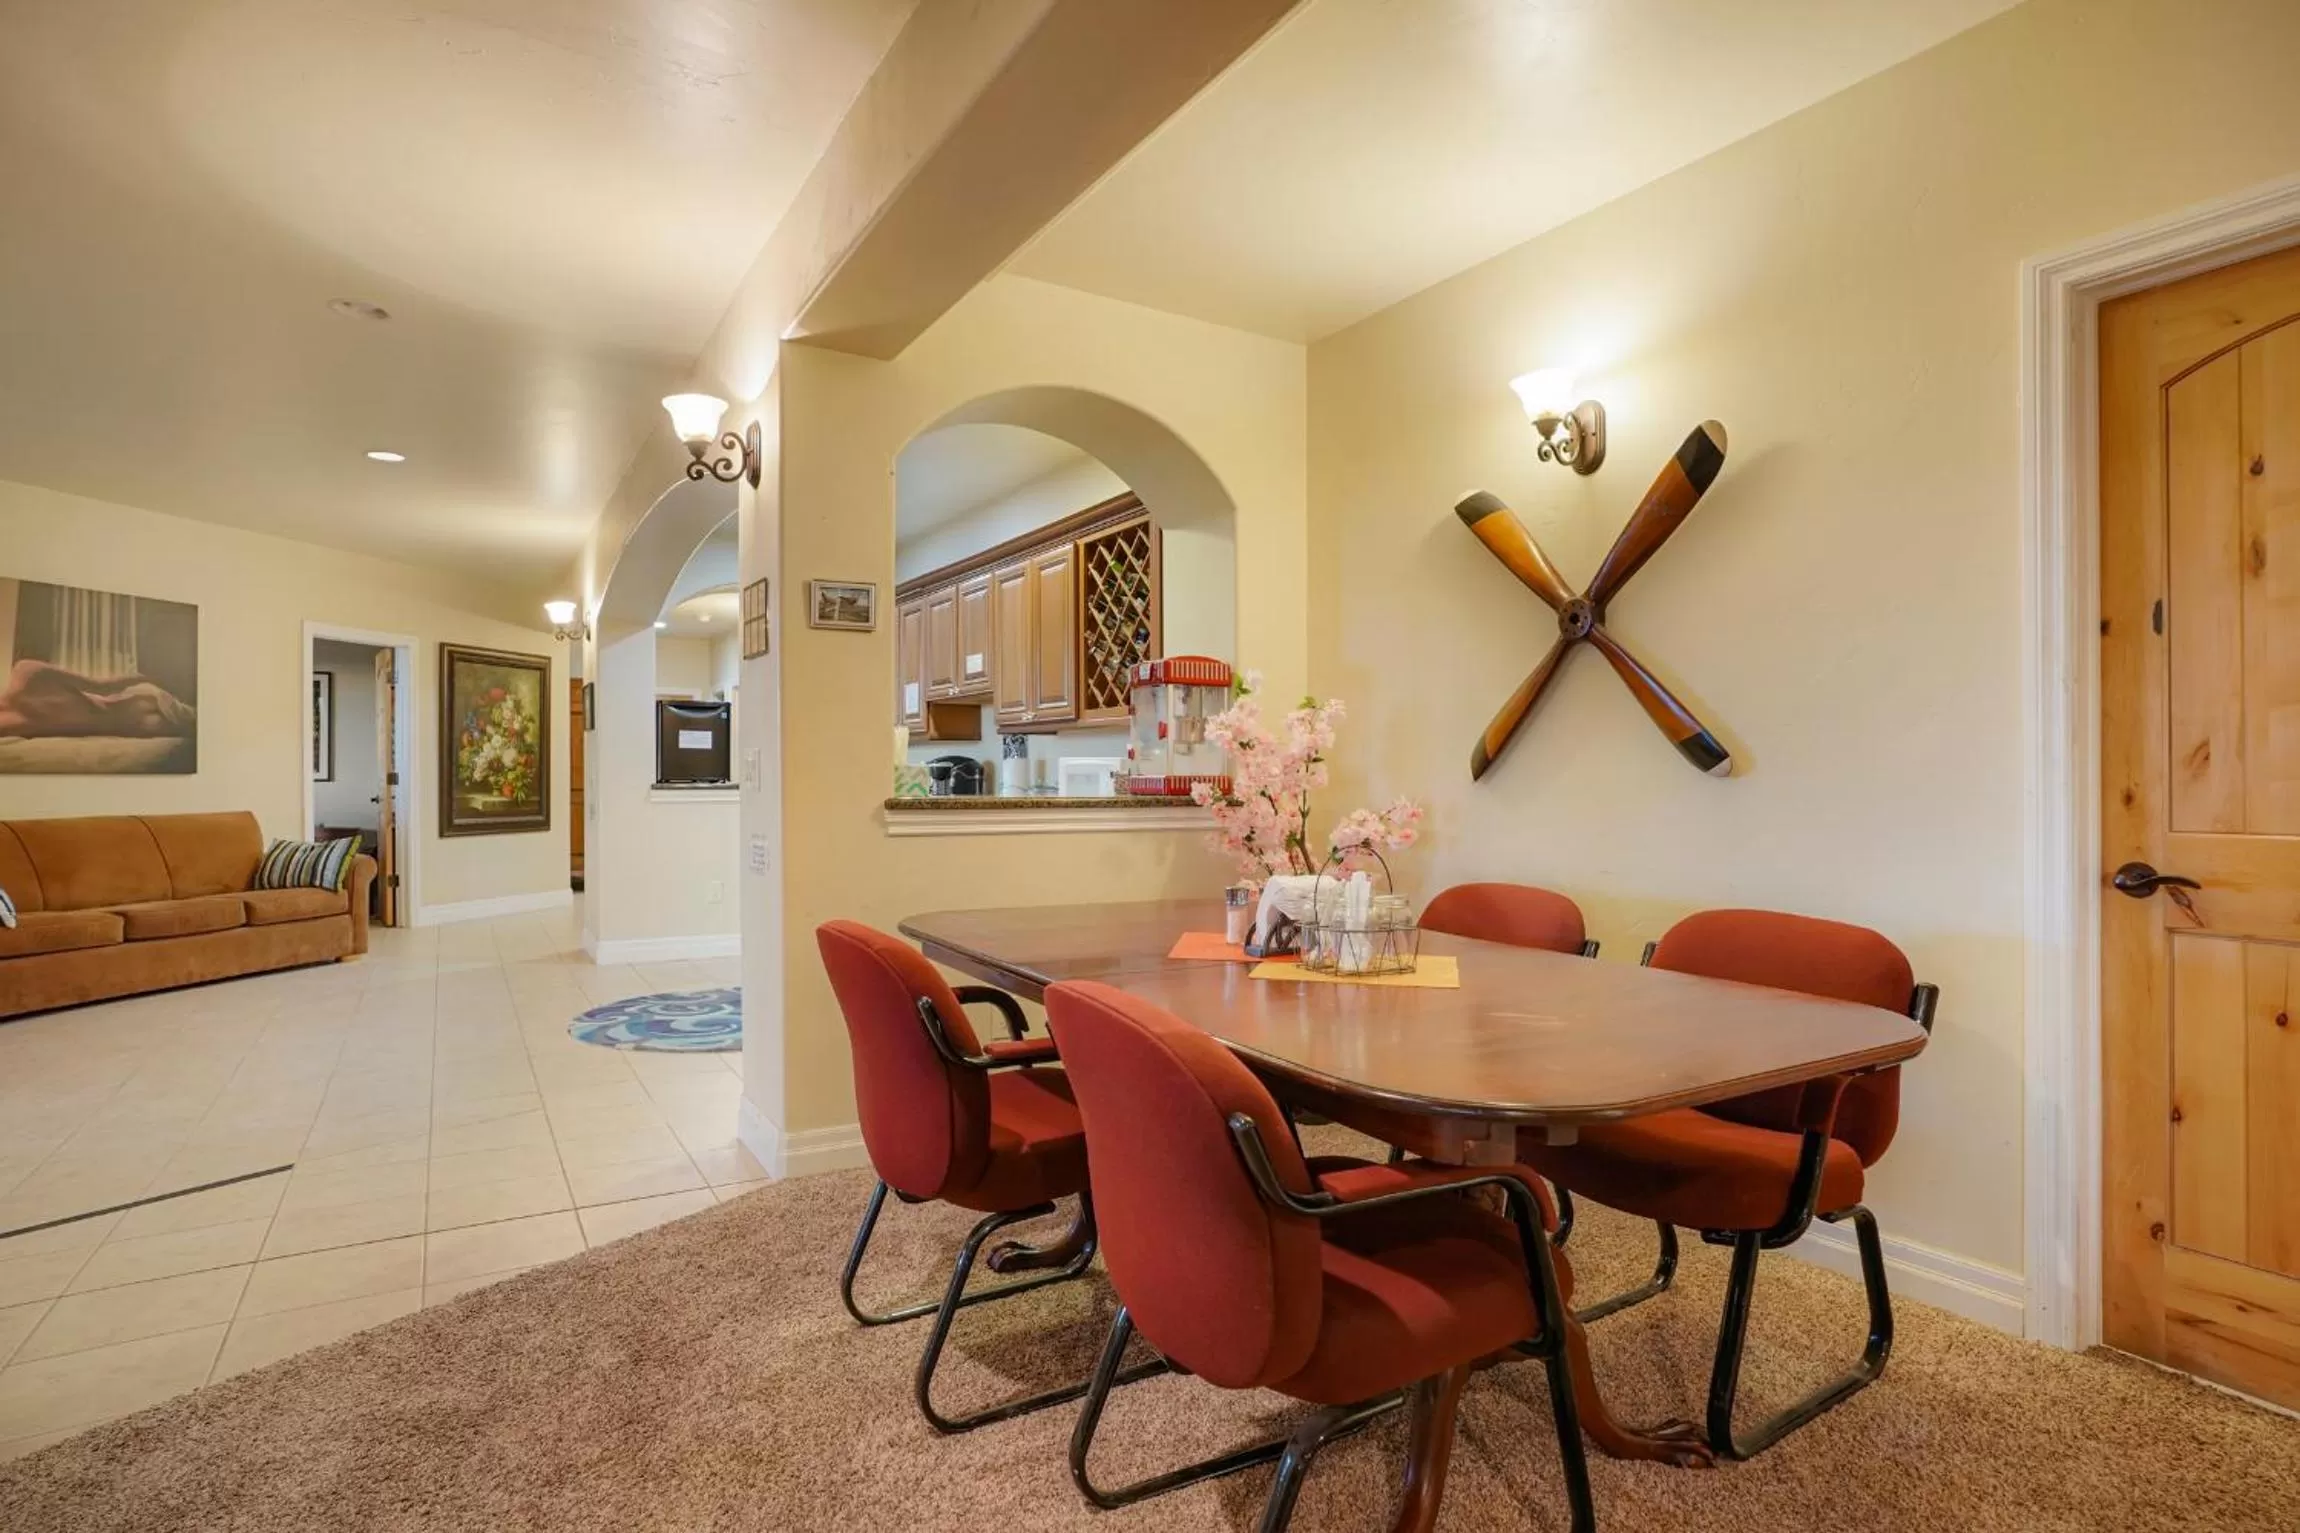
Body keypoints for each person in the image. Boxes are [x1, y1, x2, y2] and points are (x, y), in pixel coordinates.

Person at [0, 658, 195, 738]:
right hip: (131, 715)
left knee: (197, 723)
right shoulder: (26, 673)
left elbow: (104, 687)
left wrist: (156, 680)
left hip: (132, 711)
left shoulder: (26, 673)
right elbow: (103, 686)